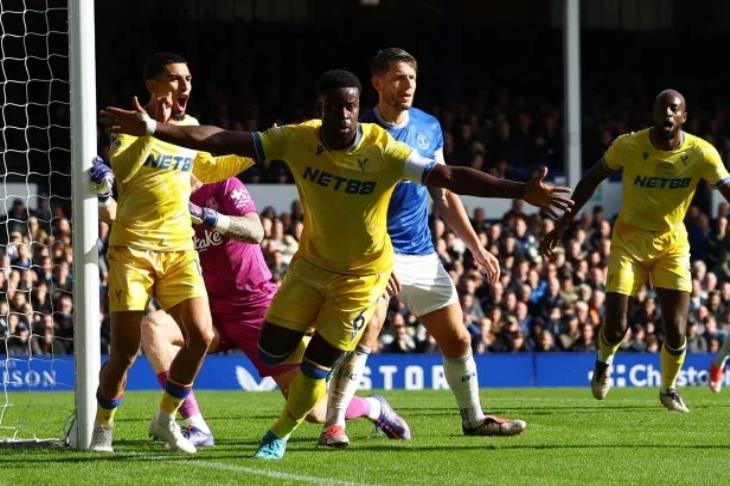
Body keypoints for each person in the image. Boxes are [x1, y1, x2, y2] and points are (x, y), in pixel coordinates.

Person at [100, 68, 573, 460]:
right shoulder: (300, 139)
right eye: (335, 106)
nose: (344, 114)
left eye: (351, 106)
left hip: (361, 275)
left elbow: (447, 176)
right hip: (307, 269)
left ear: (357, 105)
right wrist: (151, 129)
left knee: (316, 373)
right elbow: (221, 137)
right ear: (321, 108)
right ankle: (213, 418)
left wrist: (519, 191)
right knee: (259, 344)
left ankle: (281, 433)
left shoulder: (382, 148)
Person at [91, 159, 403, 446]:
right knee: (154, 326)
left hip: (255, 307)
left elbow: (256, 231)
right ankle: (196, 426)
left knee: (315, 412)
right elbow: (123, 222)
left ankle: (374, 407)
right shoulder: (165, 198)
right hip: (208, 308)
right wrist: (104, 194)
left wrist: (206, 217)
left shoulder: (225, 186)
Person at [320, 48, 525, 448]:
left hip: (421, 253)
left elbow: (444, 194)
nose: (407, 85)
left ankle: (474, 418)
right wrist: (379, 257)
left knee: (459, 338)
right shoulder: (358, 131)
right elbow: (348, 204)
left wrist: (477, 247)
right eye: (398, 78)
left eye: (412, 78)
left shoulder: (429, 127)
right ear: (376, 82)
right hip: (372, 253)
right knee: (369, 330)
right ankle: (334, 424)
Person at [90, 52, 254, 454]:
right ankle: (102, 428)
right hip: (134, 249)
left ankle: (165, 418)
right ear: (154, 85)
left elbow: (209, 168)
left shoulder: (191, 127)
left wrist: (258, 150)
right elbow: (123, 172)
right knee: (125, 350)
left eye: (189, 79)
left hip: (180, 247)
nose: (185, 87)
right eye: (176, 79)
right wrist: (149, 129)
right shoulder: (129, 123)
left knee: (201, 335)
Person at [541, 89, 730, 412]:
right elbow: (591, 179)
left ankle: (668, 389)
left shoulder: (702, 153)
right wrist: (564, 222)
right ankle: (603, 362)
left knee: (676, 328)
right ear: (653, 114)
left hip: (672, 245)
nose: (668, 114)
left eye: (675, 109)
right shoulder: (628, 146)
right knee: (616, 326)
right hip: (629, 242)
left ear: (684, 116)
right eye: (662, 109)